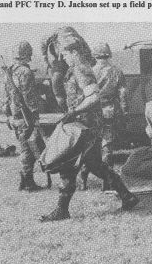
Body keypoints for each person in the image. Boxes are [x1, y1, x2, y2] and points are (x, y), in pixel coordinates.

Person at [40, 37, 138, 222]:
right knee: (96, 165)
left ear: (75, 52)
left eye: (67, 54)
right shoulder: (78, 69)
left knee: (68, 164)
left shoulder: (81, 69)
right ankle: (127, 196)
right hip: (86, 124)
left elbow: (93, 98)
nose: (64, 57)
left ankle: (62, 209)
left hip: (85, 125)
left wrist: (74, 111)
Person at [80, 43, 128, 191]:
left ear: (95, 55)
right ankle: (107, 182)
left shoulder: (89, 72)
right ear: (109, 54)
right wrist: (125, 110)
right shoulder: (116, 71)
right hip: (109, 111)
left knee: (90, 145)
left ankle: (83, 176)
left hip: (92, 111)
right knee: (107, 145)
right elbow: (123, 93)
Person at [4, 41, 44, 192]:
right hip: (25, 116)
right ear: (28, 55)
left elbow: (7, 96)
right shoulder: (25, 72)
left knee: (24, 147)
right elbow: (29, 97)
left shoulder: (10, 71)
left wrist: (8, 115)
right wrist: (35, 115)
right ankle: (28, 182)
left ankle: (25, 181)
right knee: (29, 149)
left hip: (15, 115)